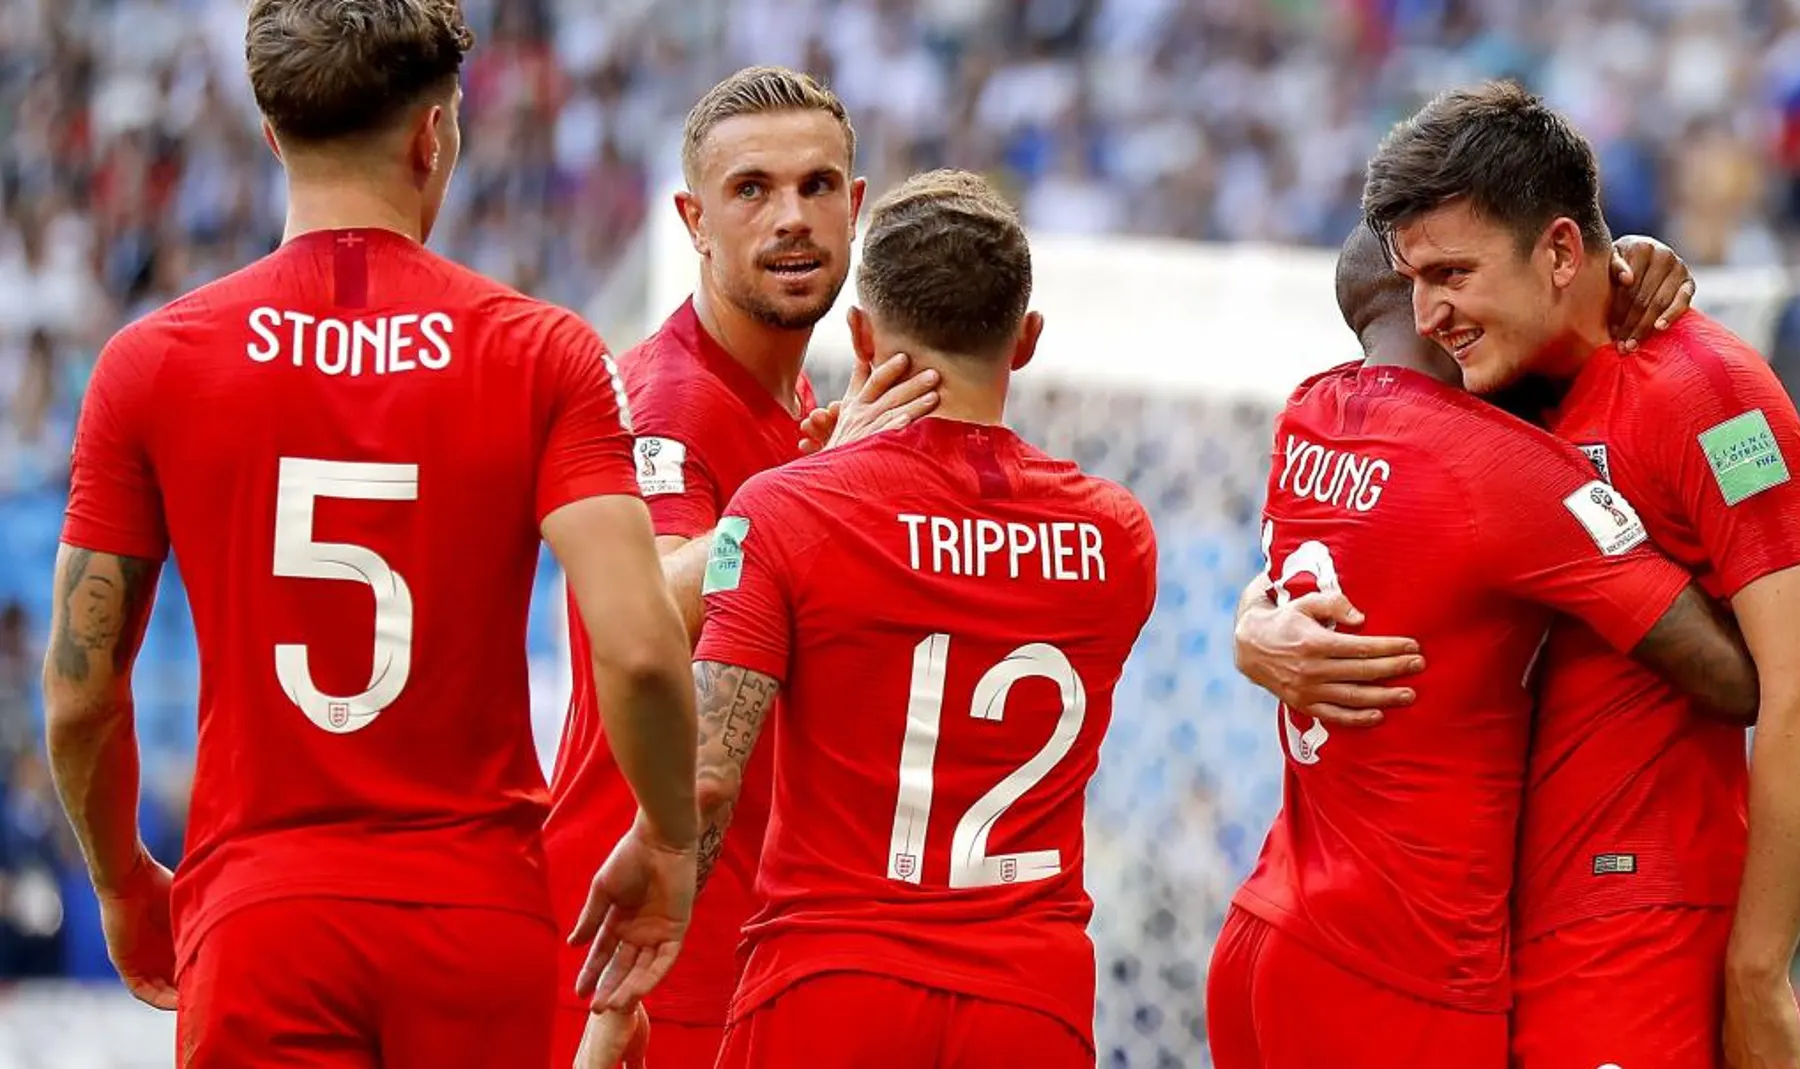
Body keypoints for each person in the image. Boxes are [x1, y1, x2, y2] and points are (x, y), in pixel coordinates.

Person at [41, 3, 700, 1066]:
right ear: (434, 135)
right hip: (477, 916)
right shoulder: (545, 354)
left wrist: (121, 877)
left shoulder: (150, 362)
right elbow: (636, 649)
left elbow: (79, 689)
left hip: (262, 914)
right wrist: (670, 840)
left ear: (273, 135)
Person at [1254, 80, 1800, 1069]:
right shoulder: (1499, 396)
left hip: (1631, 931)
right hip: (1489, 940)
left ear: (1563, 251)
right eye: (1415, 281)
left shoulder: (1710, 392)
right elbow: (1333, 532)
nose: (1429, 312)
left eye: (1451, 273)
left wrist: (1754, 969)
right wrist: (1259, 624)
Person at [580, 169, 1158, 1069]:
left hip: (831, 984)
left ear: (858, 334)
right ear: (1027, 341)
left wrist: (658, 890)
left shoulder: (787, 512)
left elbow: (705, 776)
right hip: (1031, 1001)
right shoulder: (1117, 535)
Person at [1206, 224, 1760, 1069]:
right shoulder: (1506, 471)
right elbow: (1739, 681)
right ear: (1437, 301)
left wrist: (1251, 622)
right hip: (1399, 967)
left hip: (1264, 928)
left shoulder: (1307, 411)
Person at [544, 66, 938, 1069]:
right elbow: (659, 601)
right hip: (639, 952)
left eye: (815, 187)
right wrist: (820, 482)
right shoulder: (667, 401)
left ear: (855, 209)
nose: (790, 218)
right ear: (693, 220)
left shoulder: (792, 399)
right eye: (751, 189)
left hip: (739, 931)